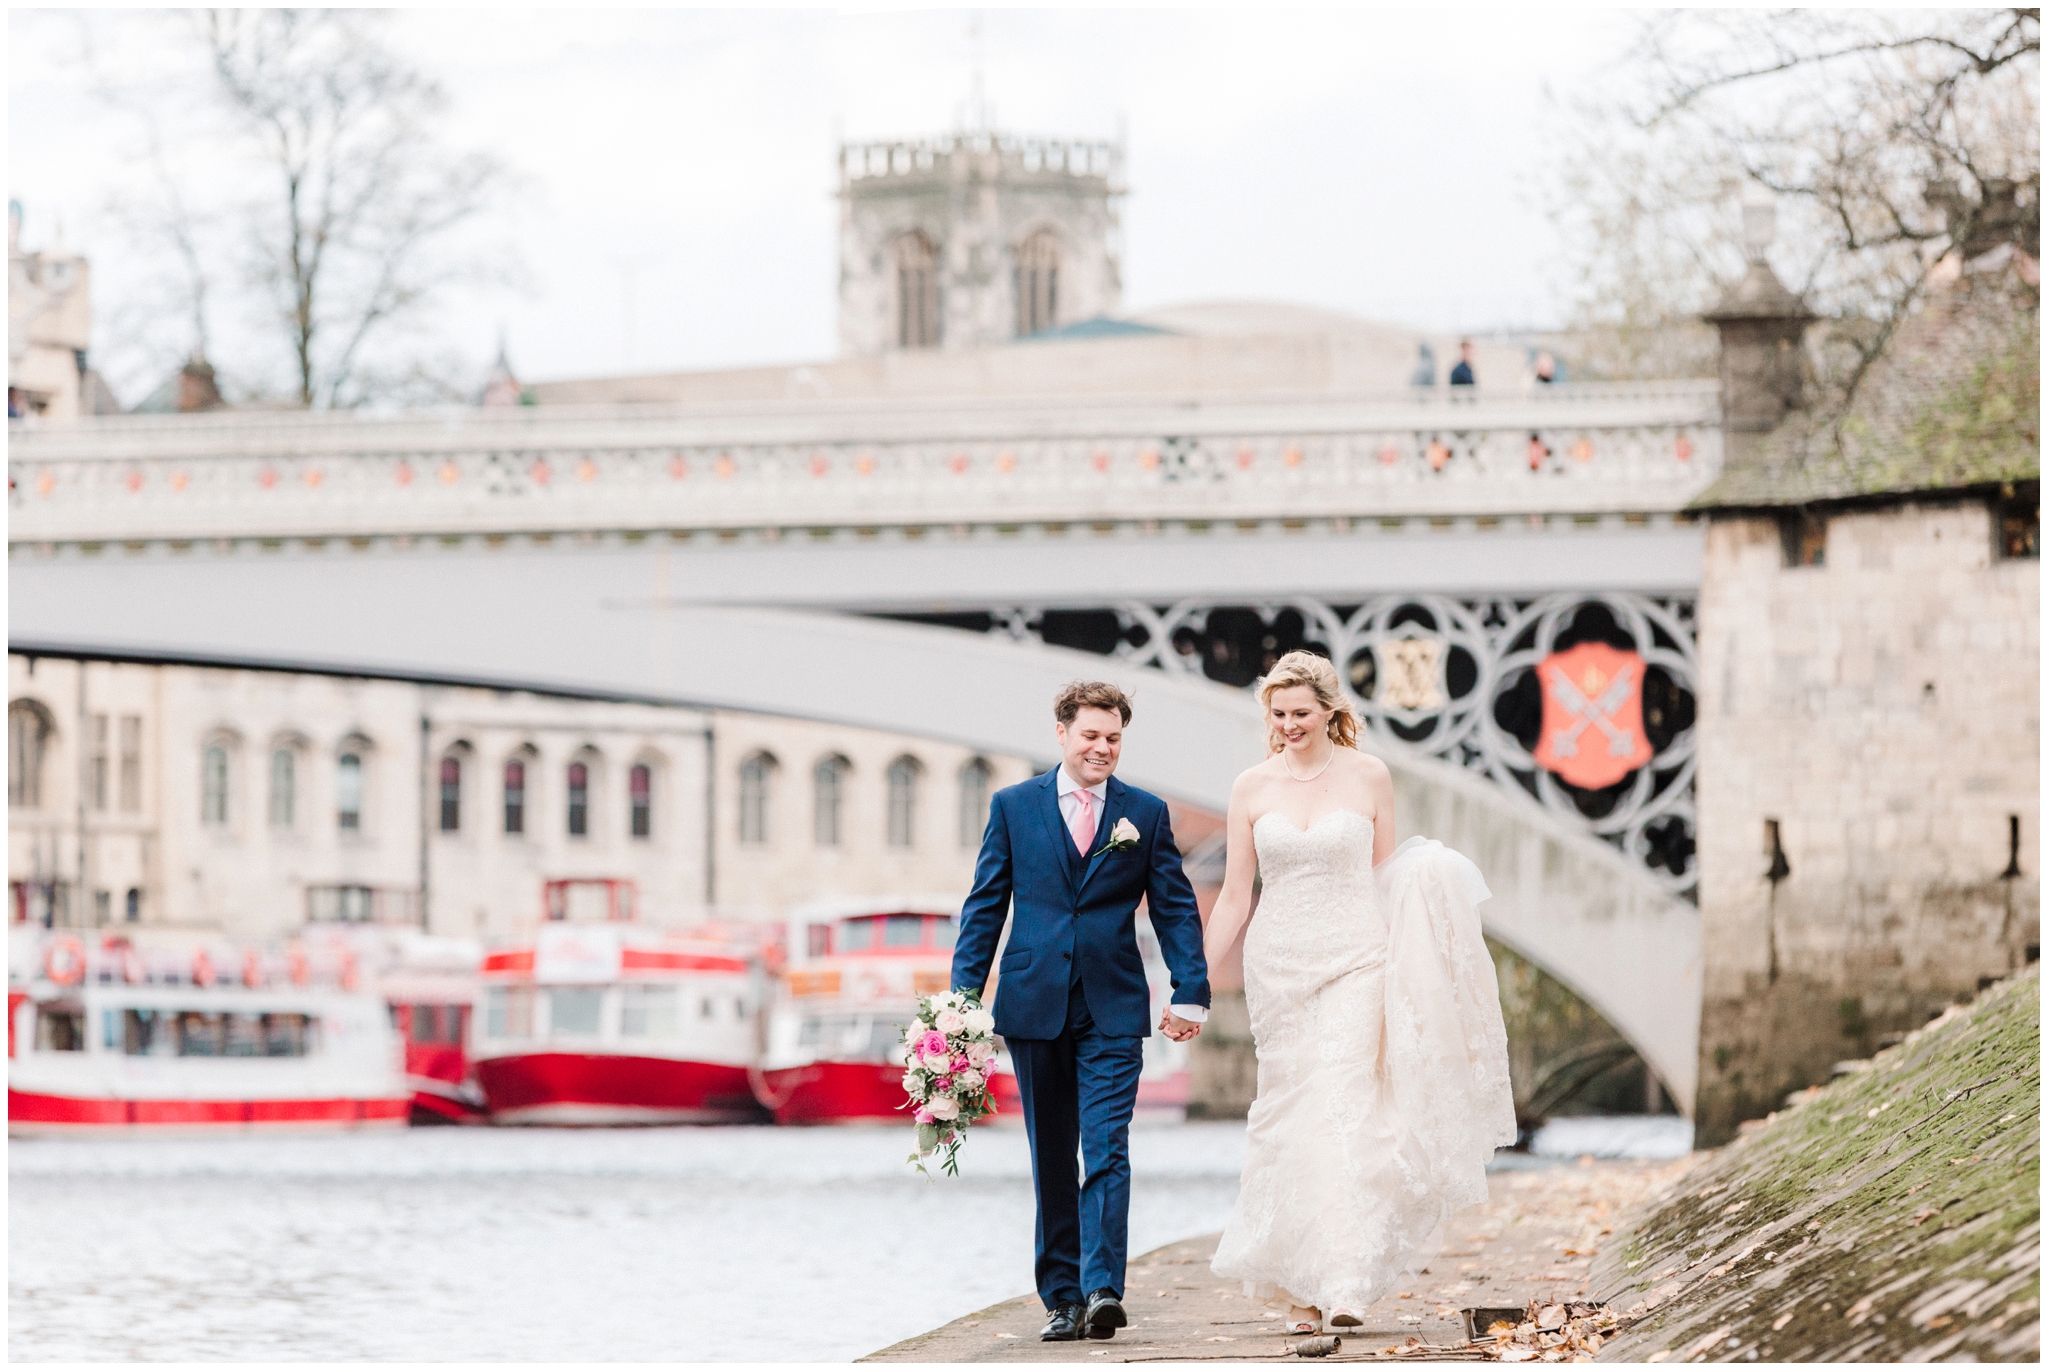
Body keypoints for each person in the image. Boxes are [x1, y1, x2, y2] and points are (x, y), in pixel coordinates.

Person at [1205, 651, 1514, 1334]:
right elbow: (1233, 895)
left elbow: (1387, 877)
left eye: (1301, 713)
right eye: (1278, 714)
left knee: (1344, 1106)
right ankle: (1297, 1286)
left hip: (1357, 956)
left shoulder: (1370, 775)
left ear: (1330, 711)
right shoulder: (1250, 787)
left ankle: (1342, 1278)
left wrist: (1428, 905)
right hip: (1279, 965)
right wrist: (1195, 977)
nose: (1288, 725)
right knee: (1289, 1114)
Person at [951, 681, 1211, 1343]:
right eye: (1091, 734)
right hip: (1033, 1002)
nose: (1102, 747)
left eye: (1114, 737)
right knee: (1050, 1157)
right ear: (1062, 733)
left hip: (1114, 1004)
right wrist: (960, 1003)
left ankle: (1102, 1289)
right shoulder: (1013, 807)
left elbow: (1176, 906)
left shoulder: (1144, 815)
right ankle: (1061, 1297)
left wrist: (1191, 988)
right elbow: (985, 906)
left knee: (1106, 1148)